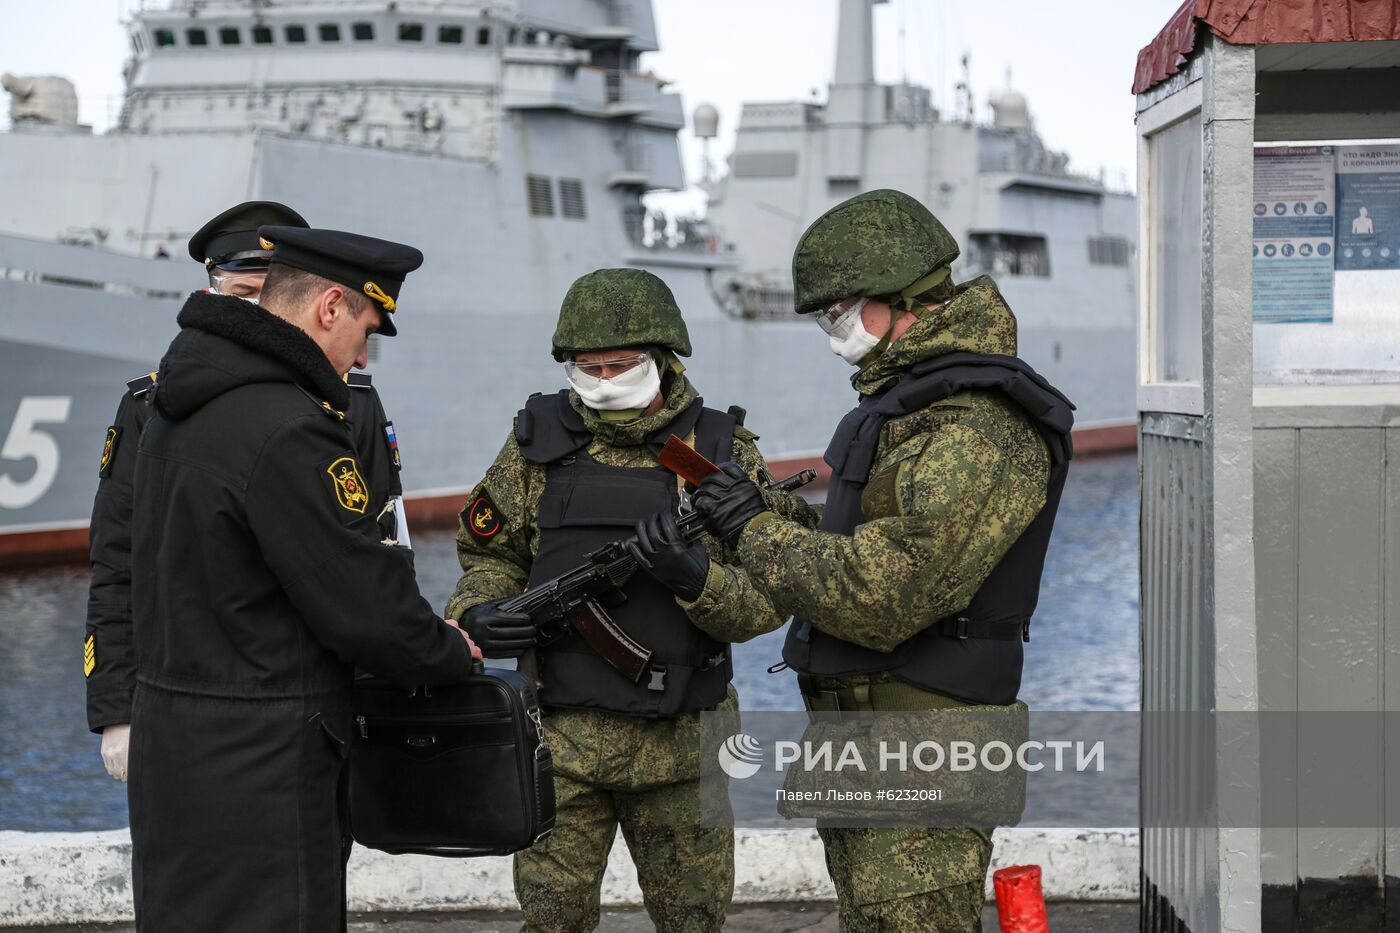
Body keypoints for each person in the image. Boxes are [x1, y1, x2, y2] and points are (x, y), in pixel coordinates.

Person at [688, 189, 1074, 932]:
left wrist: (755, 534)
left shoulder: (978, 428)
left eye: (841, 310)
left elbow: (883, 591)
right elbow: (859, 539)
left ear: (905, 302)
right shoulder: (910, 409)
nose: (831, 329)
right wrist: (758, 509)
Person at [127, 225, 481, 931]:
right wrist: (447, 652)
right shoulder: (291, 427)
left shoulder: (181, 404)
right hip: (262, 766)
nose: (361, 355)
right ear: (328, 308)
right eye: (365, 330)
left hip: (176, 749)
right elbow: (361, 603)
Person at [445, 268, 789, 933]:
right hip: (561, 739)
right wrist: (478, 610)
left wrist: (698, 579)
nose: (602, 379)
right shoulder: (536, 447)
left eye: (620, 365)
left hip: (684, 748)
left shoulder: (713, 453)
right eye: (588, 366)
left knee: (694, 922)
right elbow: (489, 554)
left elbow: (773, 594)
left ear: (661, 357)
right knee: (551, 922)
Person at [85, 201, 406, 784]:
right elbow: (118, 561)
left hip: (316, 705)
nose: (259, 311)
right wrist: (114, 709)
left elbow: (379, 548)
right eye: (241, 291)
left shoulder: (351, 403)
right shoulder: (150, 407)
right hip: (188, 704)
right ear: (212, 292)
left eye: (269, 291)